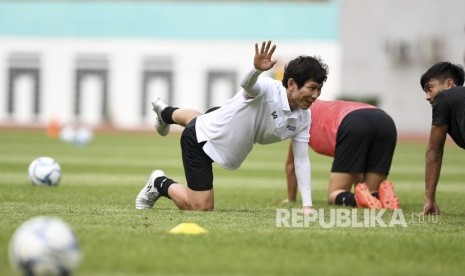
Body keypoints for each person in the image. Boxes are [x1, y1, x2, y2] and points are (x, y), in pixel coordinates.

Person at [135, 40, 329, 212]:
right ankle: (158, 182)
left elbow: (301, 161)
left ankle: (165, 113)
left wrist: (307, 205)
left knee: (201, 119)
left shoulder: (304, 117)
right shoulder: (269, 89)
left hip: (220, 123)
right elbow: (248, 85)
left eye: (319, 89)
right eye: (312, 88)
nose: (315, 96)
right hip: (202, 141)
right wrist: (256, 70)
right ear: (292, 84)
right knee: (201, 207)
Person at [284, 99, 399, 210]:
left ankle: (355, 200)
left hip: (353, 122)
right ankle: (380, 197)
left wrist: (291, 198)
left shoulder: (301, 118)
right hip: (385, 121)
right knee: (370, 192)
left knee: (334, 194)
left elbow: (292, 164)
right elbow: (356, 162)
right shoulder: (317, 105)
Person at [419, 61, 465, 215]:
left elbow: (434, 151)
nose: (427, 97)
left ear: (449, 84)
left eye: (429, 88)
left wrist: (429, 200)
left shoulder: (444, 97)